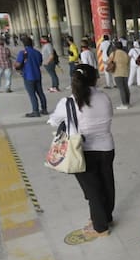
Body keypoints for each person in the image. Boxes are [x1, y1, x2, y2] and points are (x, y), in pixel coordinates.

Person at [47, 64, 115, 238]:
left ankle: (100, 227)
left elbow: (53, 121)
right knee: (107, 184)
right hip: (107, 147)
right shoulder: (104, 97)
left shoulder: (68, 102)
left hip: (81, 150)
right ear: (94, 79)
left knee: (92, 190)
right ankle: (106, 217)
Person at [14, 36, 48, 117]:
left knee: (32, 94)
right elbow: (40, 63)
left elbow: (18, 64)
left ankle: (35, 111)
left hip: (28, 76)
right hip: (37, 75)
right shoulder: (37, 52)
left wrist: (15, 65)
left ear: (24, 44)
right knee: (40, 93)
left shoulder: (23, 53)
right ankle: (44, 109)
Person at [109, 41, 132, 109]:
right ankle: (127, 102)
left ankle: (124, 104)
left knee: (121, 89)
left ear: (115, 47)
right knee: (126, 88)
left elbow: (109, 61)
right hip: (125, 72)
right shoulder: (125, 53)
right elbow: (128, 62)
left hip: (117, 73)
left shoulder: (113, 53)